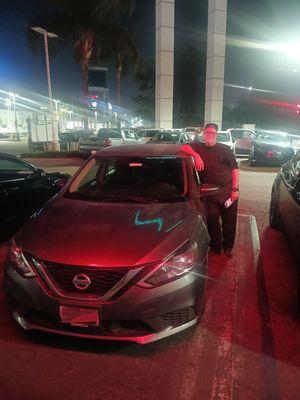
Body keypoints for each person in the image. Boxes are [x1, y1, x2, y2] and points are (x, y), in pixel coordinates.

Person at [181, 122, 239, 257]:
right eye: (207, 133)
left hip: (228, 189)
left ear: (216, 135)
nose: (210, 135)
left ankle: (228, 247)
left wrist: (235, 189)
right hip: (210, 191)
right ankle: (216, 247)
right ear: (204, 134)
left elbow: (235, 169)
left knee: (229, 221)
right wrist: (196, 155)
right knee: (212, 220)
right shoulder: (197, 147)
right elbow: (183, 147)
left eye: (213, 133)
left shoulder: (225, 149)